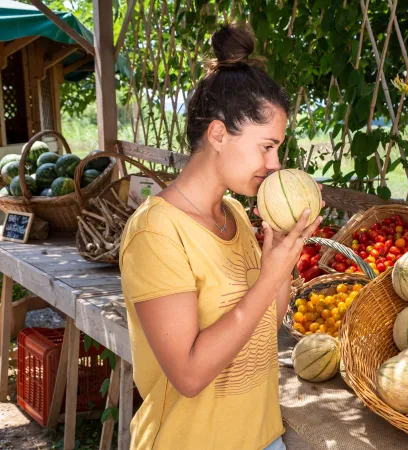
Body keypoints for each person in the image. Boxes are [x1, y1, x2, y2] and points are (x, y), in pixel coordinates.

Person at [119, 23, 322, 450]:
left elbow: (269, 318)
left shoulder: (233, 214)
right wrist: (270, 276)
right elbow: (189, 376)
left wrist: (286, 251)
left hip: (264, 438)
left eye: (278, 149)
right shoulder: (155, 233)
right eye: (267, 146)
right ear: (217, 134)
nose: (275, 163)